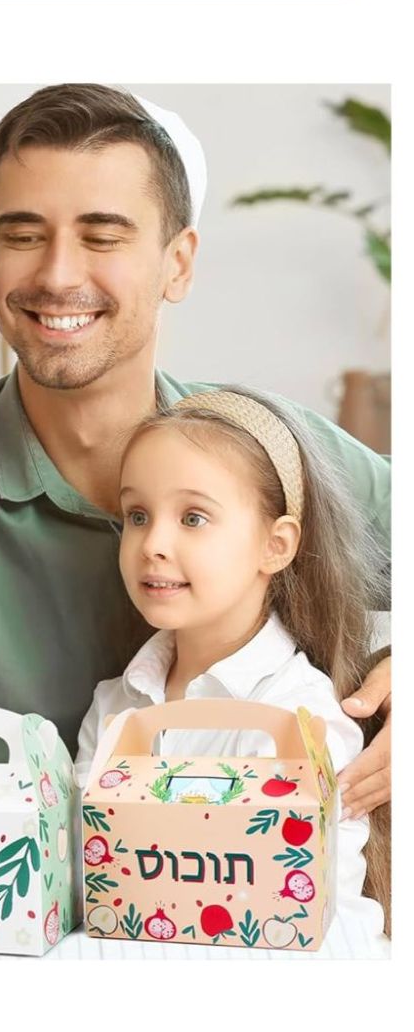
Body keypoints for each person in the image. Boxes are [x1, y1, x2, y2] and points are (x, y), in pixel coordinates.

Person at [0, 85, 390, 817]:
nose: (56, 275)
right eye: (22, 235)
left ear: (177, 264)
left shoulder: (267, 448)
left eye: (102, 236)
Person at [74, 389, 389, 945]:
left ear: (276, 545)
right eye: (138, 515)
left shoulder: (299, 719)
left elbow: (319, 917)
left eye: (193, 517)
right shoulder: (115, 705)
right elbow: (82, 880)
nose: (154, 544)